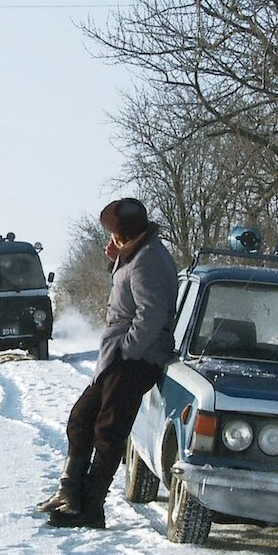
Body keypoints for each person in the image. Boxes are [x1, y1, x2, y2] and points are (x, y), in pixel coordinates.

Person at [36, 198, 179, 529]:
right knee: (82, 416)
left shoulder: (148, 261)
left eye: (113, 232)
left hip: (136, 358)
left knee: (108, 430)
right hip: (120, 355)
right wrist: (117, 261)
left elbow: (151, 314)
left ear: (123, 234)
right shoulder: (136, 256)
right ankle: (69, 493)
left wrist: (128, 352)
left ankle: (90, 507)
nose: (110, 238)